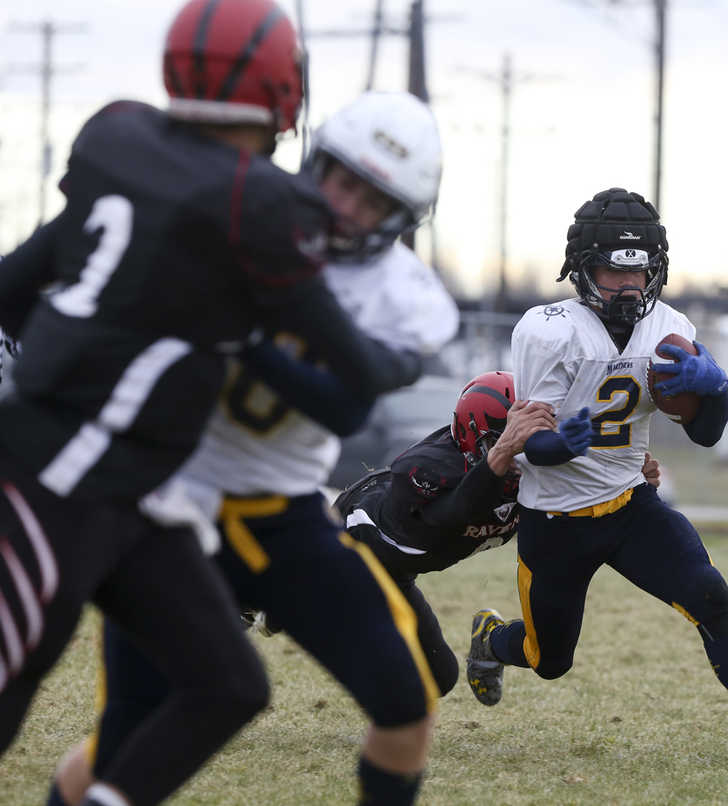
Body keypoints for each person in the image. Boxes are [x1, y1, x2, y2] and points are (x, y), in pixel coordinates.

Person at [0, 2, 424, 805]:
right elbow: (355, 376)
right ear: (282, 95)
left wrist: (61, 357)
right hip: (65, 476)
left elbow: (14, 291)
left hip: (134, 490)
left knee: (228, 684)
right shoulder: (258, 203)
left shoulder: (119, 138)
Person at [465, 188, 728, 768]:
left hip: (628, 505)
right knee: (550, 659)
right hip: (557, 520)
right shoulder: (549, 330)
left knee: (709, 596)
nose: (626, 285)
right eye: (612, 270)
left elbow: (706, 435)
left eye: (637, 271)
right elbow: (530, 445)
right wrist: (554, 445)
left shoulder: (668, 328)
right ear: (582, 270)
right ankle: (490, 639)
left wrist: (714, 391)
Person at [334, 371, 664, 699]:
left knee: (437, 677)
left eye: (531, 442)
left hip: (398, 573)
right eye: (511, 441)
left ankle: (485, 644)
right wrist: (503, 450)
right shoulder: (425, 468)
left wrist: (630, 486)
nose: (524, 456)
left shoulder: (538, 467)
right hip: (348, 552)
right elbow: (454, 515)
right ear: (471, 437)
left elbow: (589, 514)